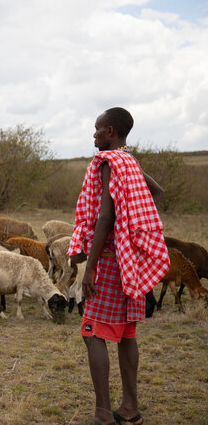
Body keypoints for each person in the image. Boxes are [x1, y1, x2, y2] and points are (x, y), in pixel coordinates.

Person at [68, 107, 170, 425]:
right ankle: (130, 408)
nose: (94, 134)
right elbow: (155, 191)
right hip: (133, 262)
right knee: (127, 335)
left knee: (92, 331)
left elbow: (105, 218)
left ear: (110, 131)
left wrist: (91, 267)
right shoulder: (129, 161)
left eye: (97, 129)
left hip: (112, 262)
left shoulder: (109, 163)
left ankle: (102, 414)